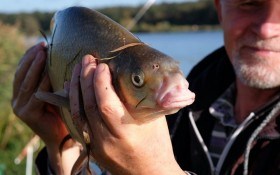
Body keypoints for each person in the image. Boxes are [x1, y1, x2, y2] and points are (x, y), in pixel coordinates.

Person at [12, 0, 280, 174]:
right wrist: (62, 144)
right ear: (220, 8)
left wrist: (155, 169)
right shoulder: (189, 97)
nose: (267, 29)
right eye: (250, 3)